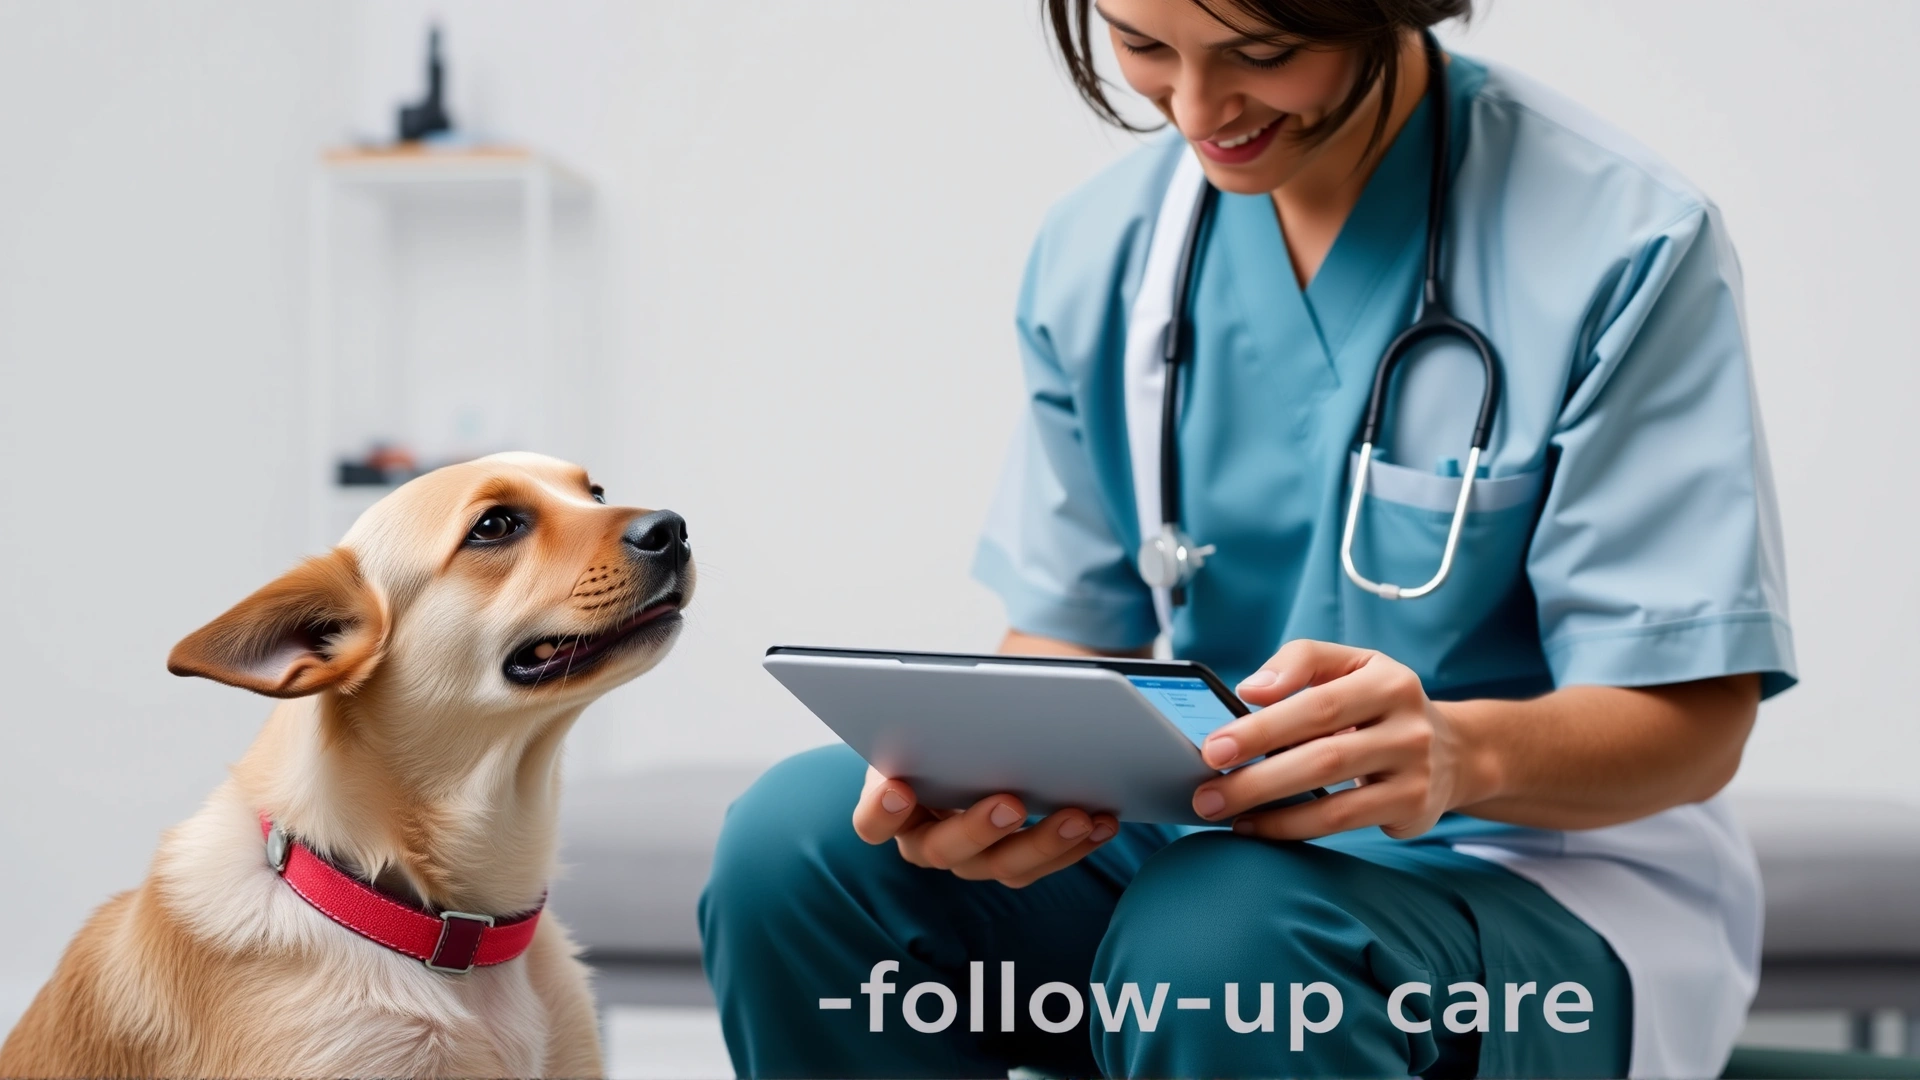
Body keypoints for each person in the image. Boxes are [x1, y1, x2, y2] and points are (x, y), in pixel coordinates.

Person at [701, 1, 1795, 1076]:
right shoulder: (1105, 251)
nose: (1195, 106)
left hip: (1530, 878)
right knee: (801, 849)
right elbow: (1069, 637)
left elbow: (1694, 728)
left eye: (1260, 53)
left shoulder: (1623, 240)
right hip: (1201, 848)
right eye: (1140, 45)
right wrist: (1006, 782)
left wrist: (1459, 755)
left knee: (1226, 947)